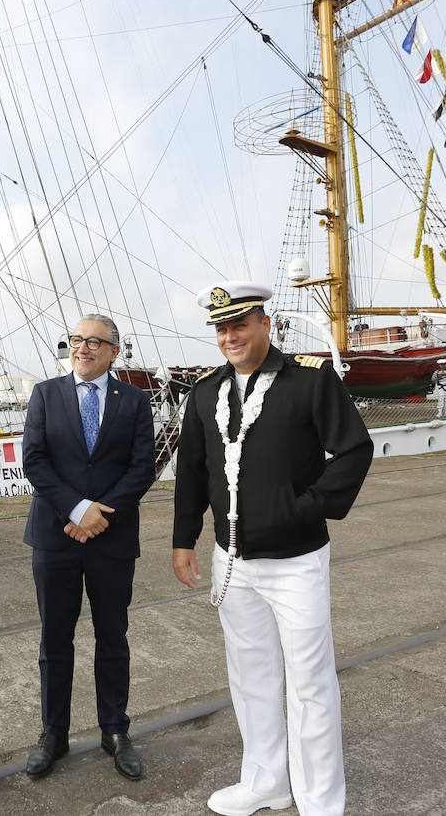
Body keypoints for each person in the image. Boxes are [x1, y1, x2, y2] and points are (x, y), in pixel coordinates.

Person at [172, 282, 372, 816]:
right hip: (232, 562)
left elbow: (354, 450)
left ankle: (320, 801)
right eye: (222, 327)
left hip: (297, 562)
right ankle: (267, 782)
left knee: (309, 684)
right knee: (251, 676)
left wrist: (304, 508)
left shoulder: (310, 380)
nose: (230, 335)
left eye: (240, 323)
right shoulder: (205, 392)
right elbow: (191, 470)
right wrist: (182, 540)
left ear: (265, 322)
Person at [21, 314, 155, 781]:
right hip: (55, 536)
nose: (83, 348)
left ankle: (115, 730)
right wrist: (77, 511)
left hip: (112, 538)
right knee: (54, 639)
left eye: (95, 342)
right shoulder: (45, 394)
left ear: (114, 352)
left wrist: (100, 514)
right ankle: (52, 733)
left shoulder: (135, 400)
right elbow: (34, 460)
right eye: (77, 340)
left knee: (113, 638)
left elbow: (143, 467)